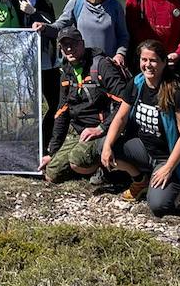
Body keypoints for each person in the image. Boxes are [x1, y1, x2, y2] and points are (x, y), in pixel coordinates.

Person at [101, 39, 180, 215]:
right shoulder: (136, 83)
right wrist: (107, 146)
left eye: (153, 60)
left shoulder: (176, 90)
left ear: (163, 62)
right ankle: (140, 180)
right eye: (144, 60)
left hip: (168, 156)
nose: (147, 65)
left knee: (159, 206)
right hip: (144, 149)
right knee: (101, 147)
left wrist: (168, 168)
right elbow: (121, 117)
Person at [41, 26, 130, 184]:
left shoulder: (101, 65)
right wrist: (52, 152)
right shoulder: (66, 73)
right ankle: (93, 166)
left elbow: (125, 103)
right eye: (64, 46)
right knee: (52, 173)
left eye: (73, 44)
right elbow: (62, 113)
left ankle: (109, 170)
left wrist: (100, 128)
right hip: (84, 135)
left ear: (82, 43)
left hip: (108, 132)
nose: (69, 49)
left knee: (77, 160)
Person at [8, 0, 59, 143]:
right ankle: (26, 142)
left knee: (56, 104)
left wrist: (34, 13)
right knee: (26, 107)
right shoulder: (8, 3)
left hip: (46, 64)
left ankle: (45, 141)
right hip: (22, 66)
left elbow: (54, 28)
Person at [47, 0, 128, 68]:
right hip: (81, 65)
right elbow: (61, 26)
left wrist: (120, 54)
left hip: (108, 66)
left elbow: (123, 36)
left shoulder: (115, 6)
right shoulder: (76, 3)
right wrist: (44, 27)